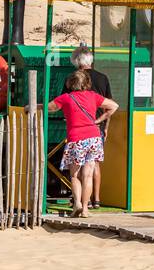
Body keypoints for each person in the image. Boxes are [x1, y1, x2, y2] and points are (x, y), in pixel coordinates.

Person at [48, 70, 119, 217]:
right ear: (87, 83)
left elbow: (50, 107)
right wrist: (100, 120)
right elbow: (114, 106)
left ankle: (77, 204)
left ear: (70, 83)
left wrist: (33, 107)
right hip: (94, 138)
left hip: (76, 139)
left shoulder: (66, 98)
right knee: (88, 176)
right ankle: (86, 209)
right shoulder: (93, 96)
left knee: (75, 176)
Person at [72, 46, 112, 208]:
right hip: (98, 127)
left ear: (76, 61)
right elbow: (108, 106)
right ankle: (96, 199)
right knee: (94, 163)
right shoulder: (103, 78)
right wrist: (104, 125)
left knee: (78, 165)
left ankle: (82, 200)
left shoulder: (74, 78)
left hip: (79, 127)